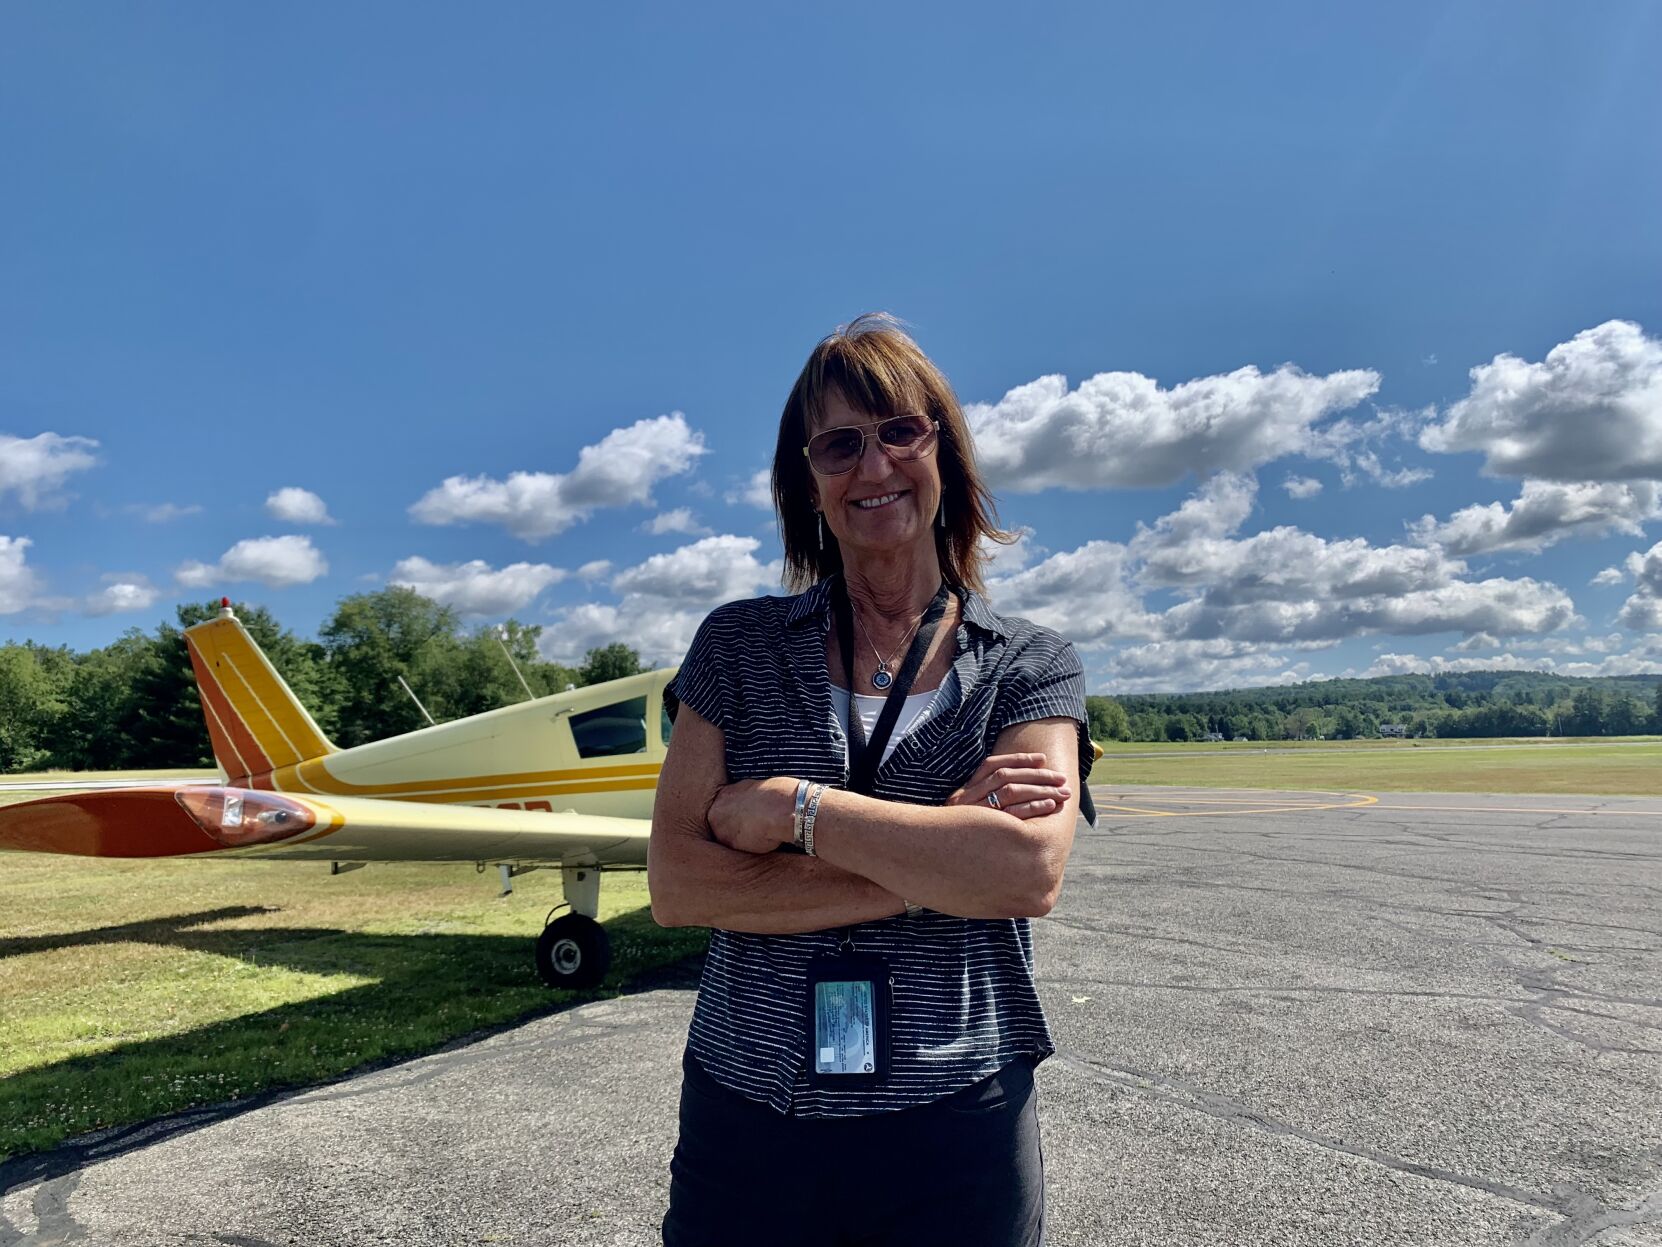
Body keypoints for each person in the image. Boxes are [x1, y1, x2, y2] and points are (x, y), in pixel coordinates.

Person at [649, 314, 1096, 1247]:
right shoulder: (735, 648)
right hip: (749, 1103)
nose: (874, 465)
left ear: (945, 452)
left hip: (956, 1111)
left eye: (901, 431)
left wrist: (792, 809)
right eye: (839, 444)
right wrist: (941, 853)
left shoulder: (1031, 666)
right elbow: (679, 885)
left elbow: (1023, 876)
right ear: (807, 482)